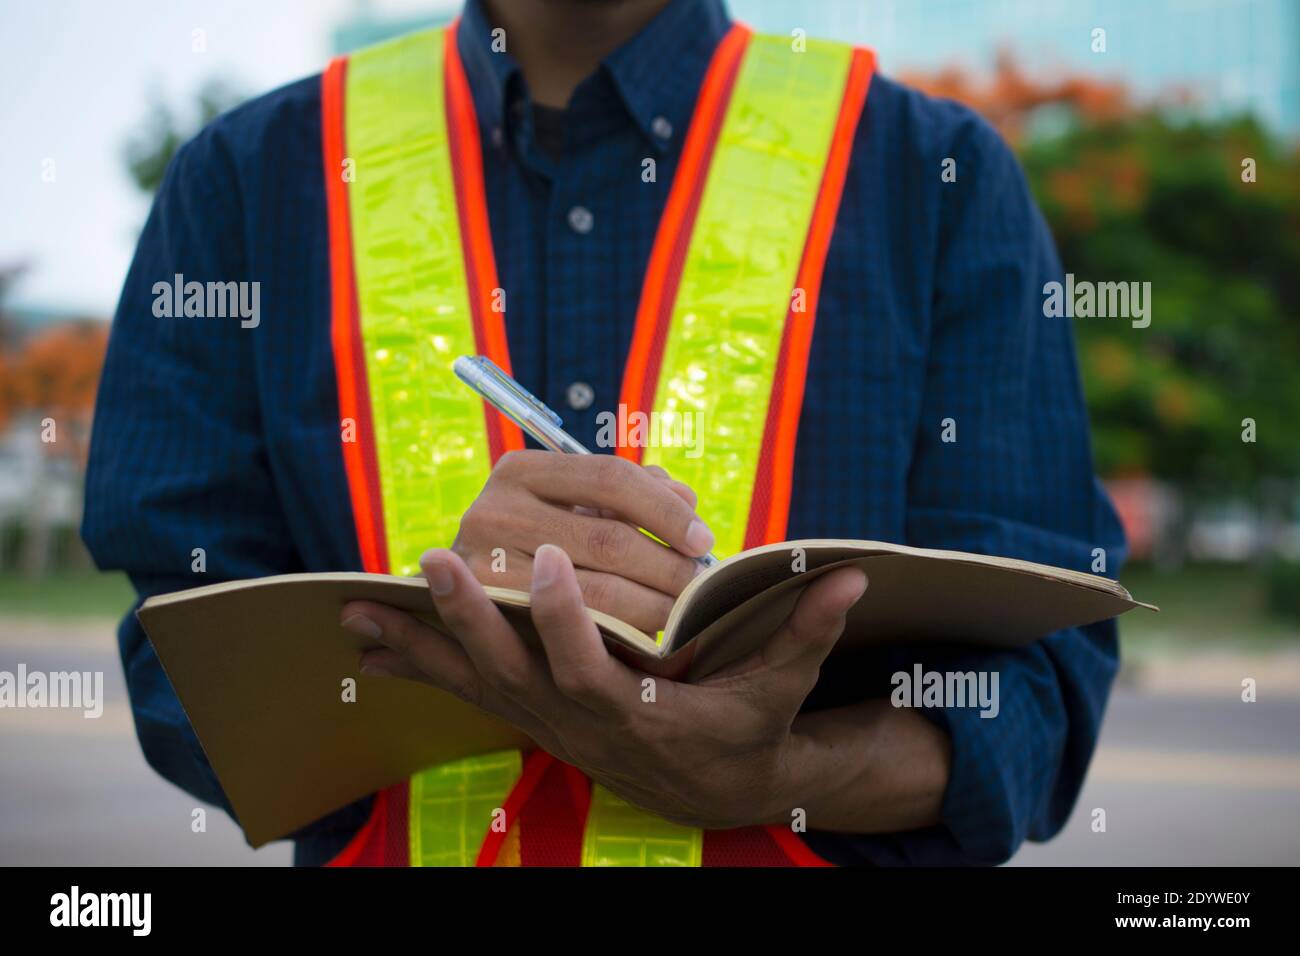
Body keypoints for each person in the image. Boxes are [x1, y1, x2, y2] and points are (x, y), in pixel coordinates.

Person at [83, 0, 1126, 867]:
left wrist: (782, 776)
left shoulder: (933, 179)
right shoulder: (244, 183)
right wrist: (437, 629)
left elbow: (1034, 691)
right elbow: (176, 672)